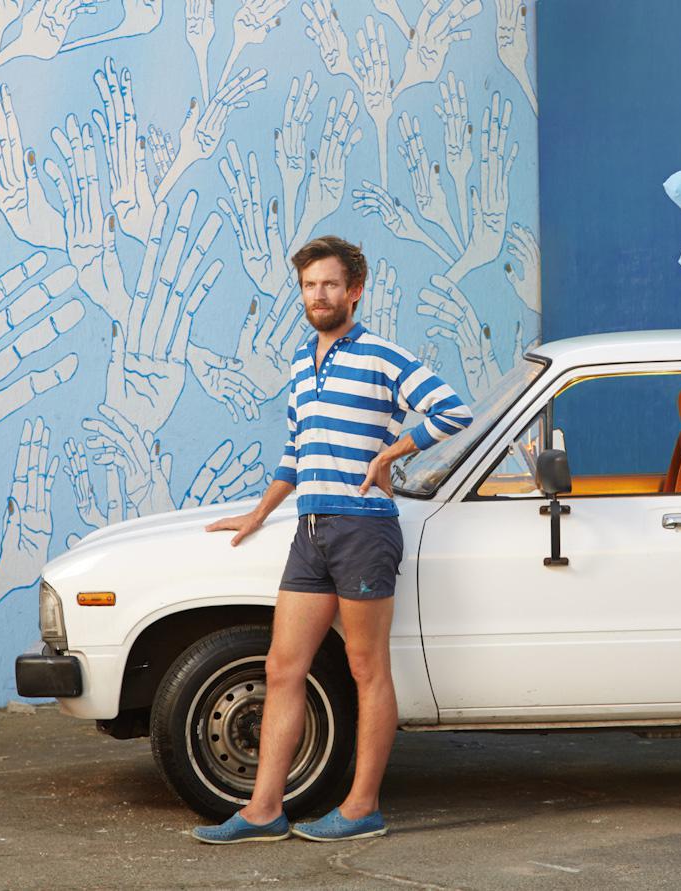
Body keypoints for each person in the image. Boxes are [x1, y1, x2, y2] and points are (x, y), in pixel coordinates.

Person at [192, 236, 472, 844]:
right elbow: (295, 451)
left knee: (367, 668)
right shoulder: (300, 362)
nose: (318, 295)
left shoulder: (381, 355)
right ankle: (265, 809)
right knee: (283, 666)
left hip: (364, 529)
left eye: (329, 285)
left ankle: (361, 807)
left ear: (354, 290)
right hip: (311, 529)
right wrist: (257, 514)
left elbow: (454, 412)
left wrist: (393, 454)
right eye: (309, 285)